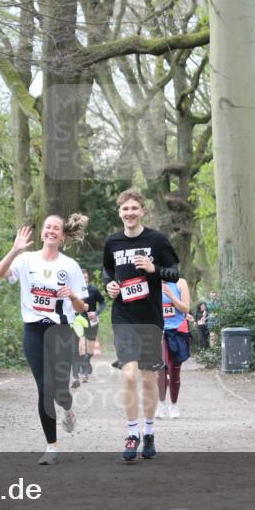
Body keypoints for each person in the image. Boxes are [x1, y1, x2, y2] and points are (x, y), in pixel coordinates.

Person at [0, 215, 89, 465]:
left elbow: (82, 308)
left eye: (56, 228)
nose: (51, 231)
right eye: (47, 227)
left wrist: (72, 297)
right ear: (43, 232)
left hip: (60, 331)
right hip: (33, 331)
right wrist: (14, 249)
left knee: (59, 389)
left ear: (63, 236)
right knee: (44, 388)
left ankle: (67, 409)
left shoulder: (70, 266)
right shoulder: (26, 259)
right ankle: (52, 446)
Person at [102, 189, 180, 461]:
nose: (130, 213)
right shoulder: (112, 242)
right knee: (128, 375)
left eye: (134, 208)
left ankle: (149, 433)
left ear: (142, 211)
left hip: (150, 319)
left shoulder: (157, 240)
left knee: (148, 381)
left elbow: (174, 273)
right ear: (120, 212)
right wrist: (109, 286)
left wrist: (153, 269)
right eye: (125, 209)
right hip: (123, 316)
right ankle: (132, 433)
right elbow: (107, 272)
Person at [157, 278, 191, 419]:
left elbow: (185, 308)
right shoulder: (152, 282)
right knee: (161, 368)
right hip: (159, 332)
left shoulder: (180, 283)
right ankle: (161, 404)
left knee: (174, 370)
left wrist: (171, 295)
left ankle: (174, 405)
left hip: (177, 331)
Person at [71, 271, 106, 387]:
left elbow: (103, 303)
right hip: (78, 321)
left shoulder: (93, 290)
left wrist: (96, 313)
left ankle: (86, 361)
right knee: (81, 346)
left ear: (88, 278)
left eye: (85, 277)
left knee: (90, 351)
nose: (84, 279)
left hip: (92, 321)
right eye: (81, 277)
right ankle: (84, 371)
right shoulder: (74, 290)